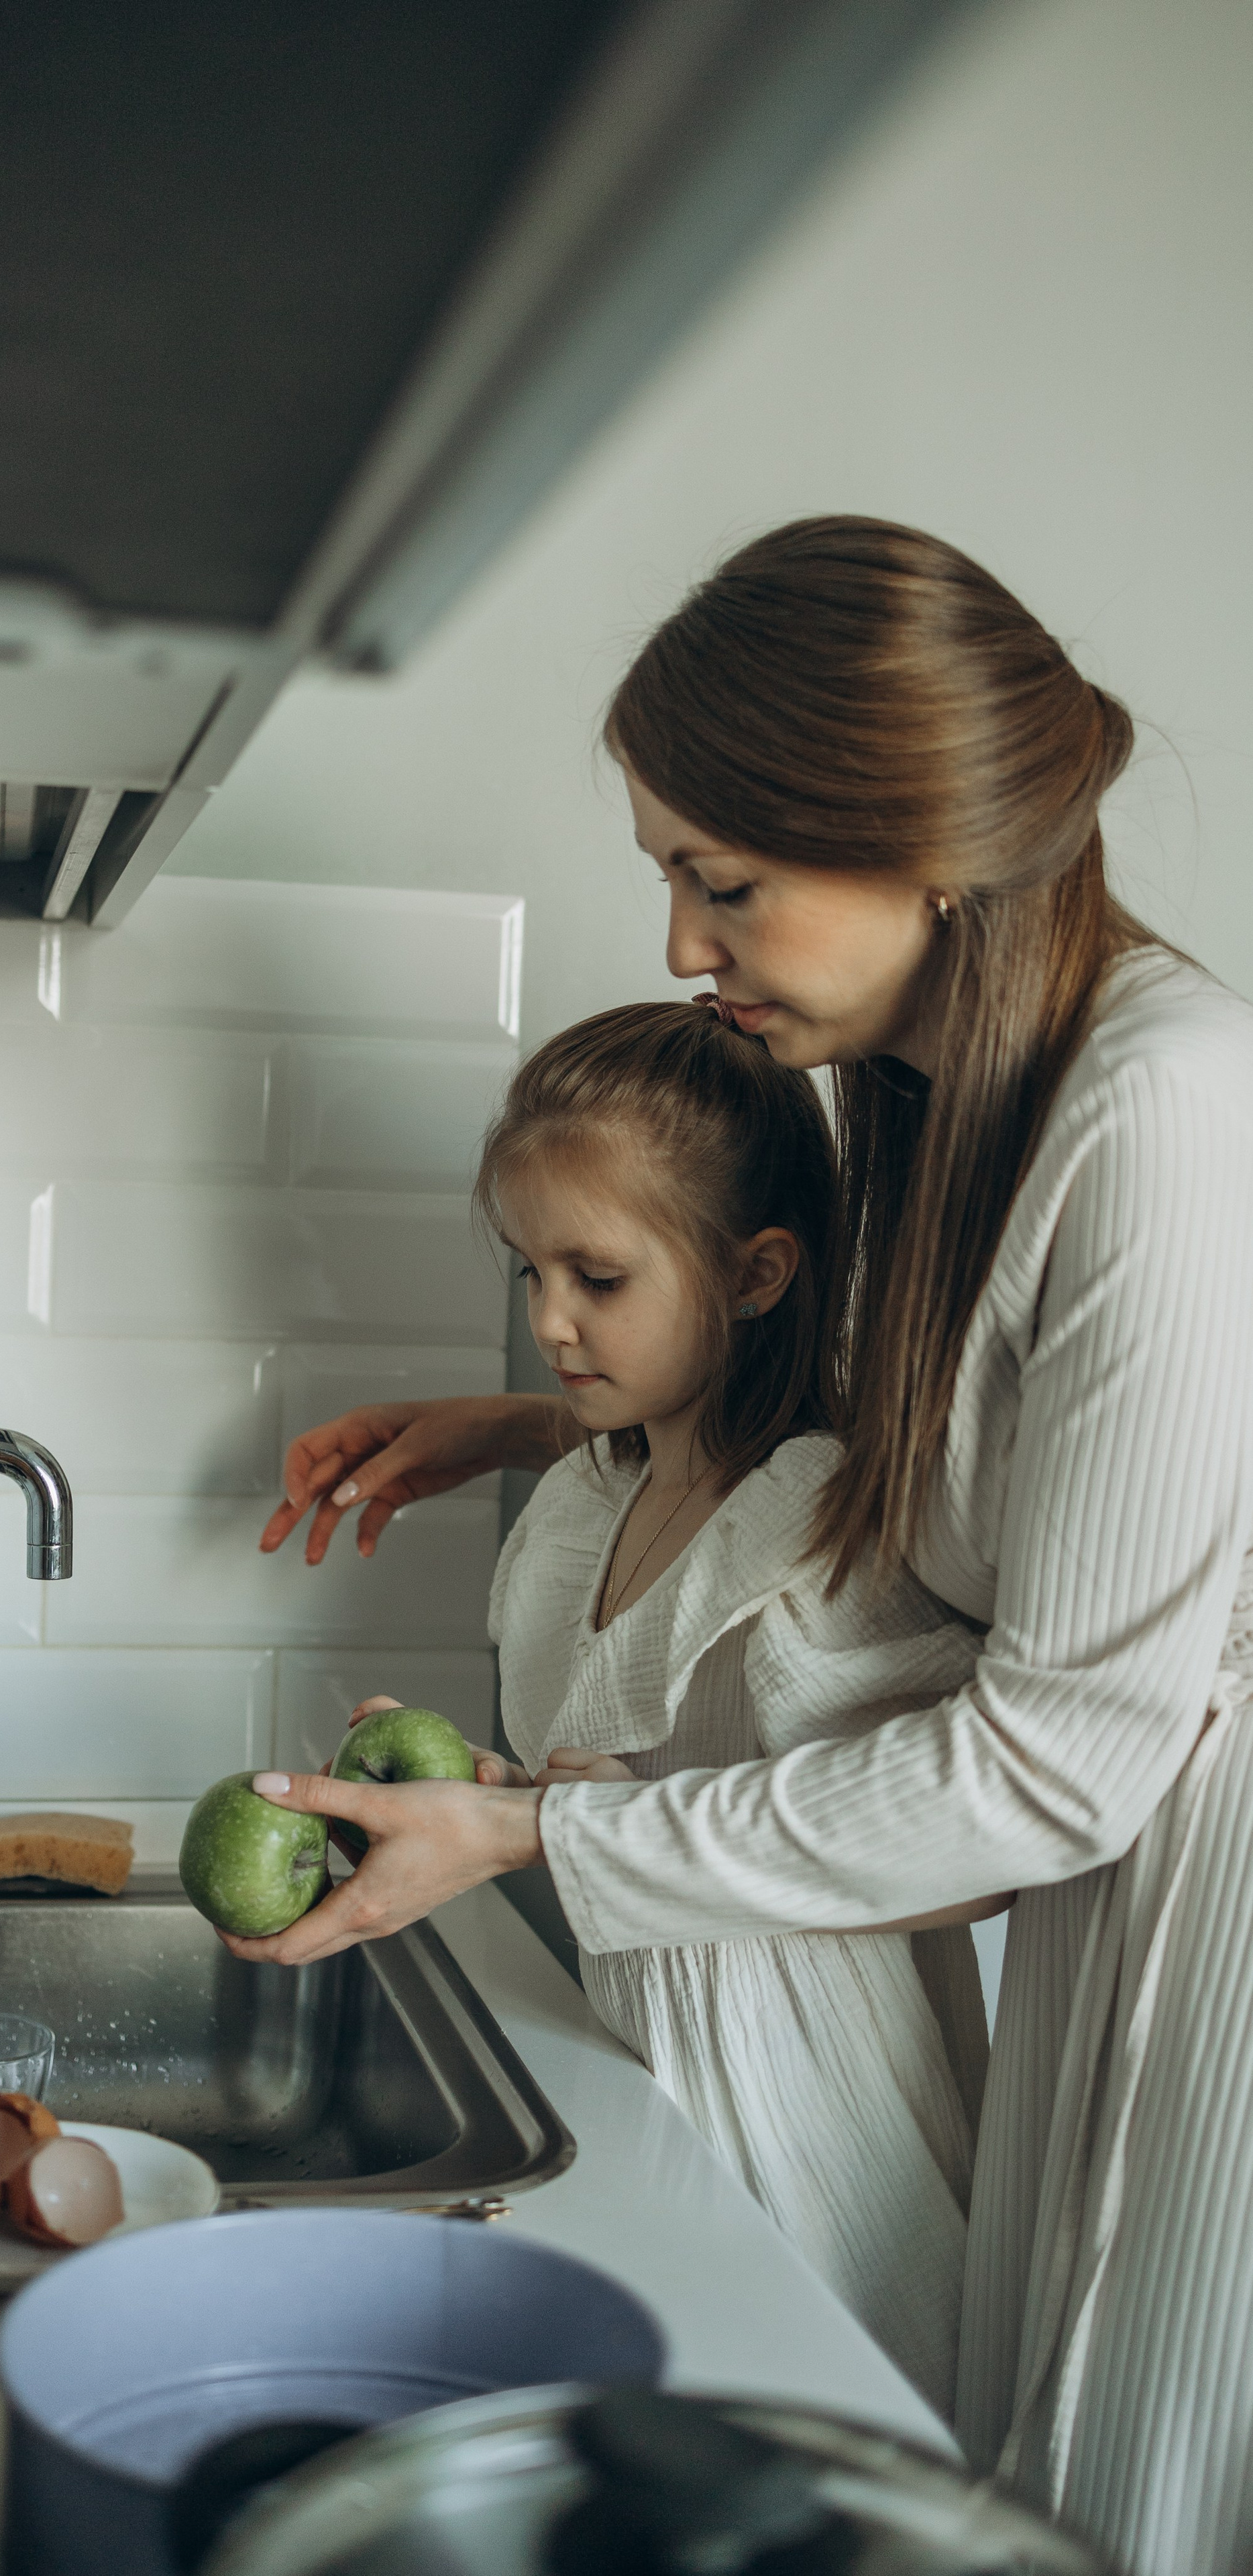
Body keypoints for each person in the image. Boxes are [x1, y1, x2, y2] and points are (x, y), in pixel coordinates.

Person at [242, 518, 1253, 2576]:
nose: (686, 943)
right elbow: (949, 1469)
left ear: (922, 840)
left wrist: (536, 1831)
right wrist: (543, 1424)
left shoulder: (1163, 1111)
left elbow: (1066, 1757)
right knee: (1033, 2487)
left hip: (1198, 1908)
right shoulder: (944, 1100)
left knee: (1131, 2493)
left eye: (723, 880)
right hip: (1113, 1884)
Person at [439, 998, 1003, 2410]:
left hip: (802, 2112)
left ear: (755, 1274)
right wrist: (487, 1798)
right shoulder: (594, 1495)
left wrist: (606, 1822)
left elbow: (968, 1854)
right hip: (646, 2085)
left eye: (597, 1277)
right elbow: (596, 1797)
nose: (548, 1322)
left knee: (814, 2435)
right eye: (529, 1270)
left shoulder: (813, 1526)